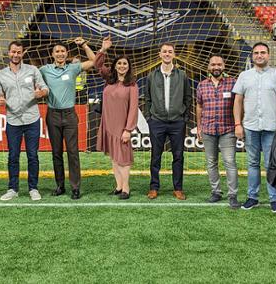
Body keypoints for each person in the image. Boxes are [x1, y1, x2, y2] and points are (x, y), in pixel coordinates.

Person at [232, 42, 276, 213]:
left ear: (268, 55)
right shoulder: (244, 76)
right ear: (252, 56)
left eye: (263, 52)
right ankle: (252, 197)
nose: (259, 55)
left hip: (271, 127)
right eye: (256, 52)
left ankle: (274, 199)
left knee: (271, 164)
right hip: (250, 126)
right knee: (252, 163)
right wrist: (237, 124)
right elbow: (238, 101)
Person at [40, 37, 97, 199]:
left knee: (73, 152)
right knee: (56, 152)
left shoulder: (73, 68)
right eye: (57, 51)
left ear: (67, 54)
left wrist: (85, 45)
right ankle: (60, 185)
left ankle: (75, 187)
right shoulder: (44, 70)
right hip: (53, 115)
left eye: (63, 51)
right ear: (52, 54)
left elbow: (94, 61)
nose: (60, 54)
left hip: (70, 115)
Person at [0, 41, 49, 201]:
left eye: (18, 52)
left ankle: (33, 188)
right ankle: (13, 189)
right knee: (13, 156)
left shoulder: (33, 70)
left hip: (32, 119)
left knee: (32, 155)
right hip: (13, 121)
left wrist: (41, 93)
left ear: (23, 53)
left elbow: (45, 88)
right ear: (8, 53)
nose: (15, 55)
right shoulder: (1, 74)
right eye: (13, 52)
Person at [145, 43, 192, 200]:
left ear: (174, 54)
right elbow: (147, 99)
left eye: (170, 52)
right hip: (157, 121)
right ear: (159, 54)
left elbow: (187, 97)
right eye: (164, 51)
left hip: (177, 122)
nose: (167, 54)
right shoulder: (152, 76)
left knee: (178, 156)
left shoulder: (182, 75)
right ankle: (154, 187)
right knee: (155, 155)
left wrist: (183, 117)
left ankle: (178, 188)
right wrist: (149, 118)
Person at [94, 37, 138, 199]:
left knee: (123, 159)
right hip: (108, 125)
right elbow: (97, 64)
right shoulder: (109, 79)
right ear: (115, 66)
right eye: (119, 63)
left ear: (129, 67)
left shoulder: (132, 85)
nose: (121, 66)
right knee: (114, 157)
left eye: (125, 64)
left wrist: (128, 129)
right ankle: (118, 186)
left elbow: (133, 109)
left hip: (121, 128)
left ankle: (126, 188)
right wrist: (103, 49)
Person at [196, 54, 240, 208]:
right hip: (208, 129)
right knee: (211, 162)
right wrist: (199, 127)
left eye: (219, 64)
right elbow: (199, 106)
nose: (216, 67)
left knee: (229, 162)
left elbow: (238, 104)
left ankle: (233, 194)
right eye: (213, 64)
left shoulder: (233, 83)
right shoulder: (202, 85)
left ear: (224, 66)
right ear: (209, 67)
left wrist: (238, 124)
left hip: (227, 129)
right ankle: (216, 192)